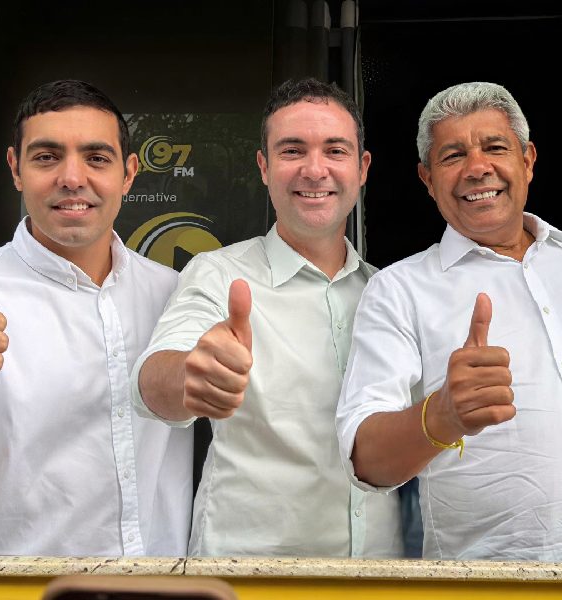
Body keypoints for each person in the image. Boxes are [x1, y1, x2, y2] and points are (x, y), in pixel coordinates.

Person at [336, 82, 562, 564]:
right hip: (501, 587)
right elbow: (366, 460)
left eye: (495, 147)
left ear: (527, 160)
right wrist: (442, 414)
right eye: (453, 156)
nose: (477, 168)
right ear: (427, 179)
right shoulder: (399, 289)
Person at [132, 78, 403, 557]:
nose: (314, 170)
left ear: (362, 168)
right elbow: (155, 380)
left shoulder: (389, 292)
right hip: (248, 573)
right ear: (264, 166)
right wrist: (192, 374)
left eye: (335, 150)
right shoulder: (218, 274)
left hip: (379, 573)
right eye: (292, 150)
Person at [0, 80, 191, 556]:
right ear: (16, 168)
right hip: (17, 586)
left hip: (160, 581)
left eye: (97, 158)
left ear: (129, 173)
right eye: (47, 157)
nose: (72, 178)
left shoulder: (175, 293)